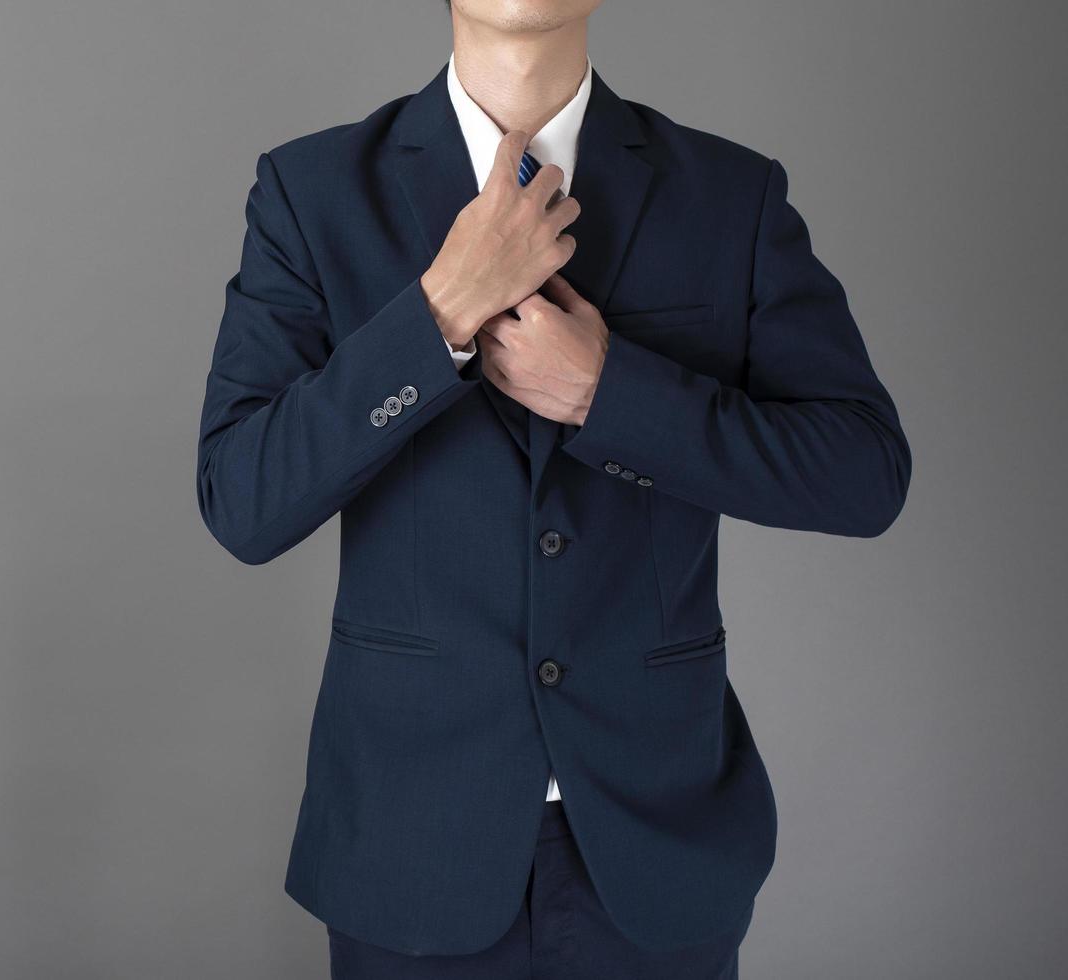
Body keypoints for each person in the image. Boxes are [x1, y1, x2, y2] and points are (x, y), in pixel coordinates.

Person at [193, 0, 912, 976]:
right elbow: (242, 498)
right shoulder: (310, 193)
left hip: (658, 844)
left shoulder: (727, 195)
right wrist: (439, 309)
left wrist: (611, 393)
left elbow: (862, 472)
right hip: (408, 846)